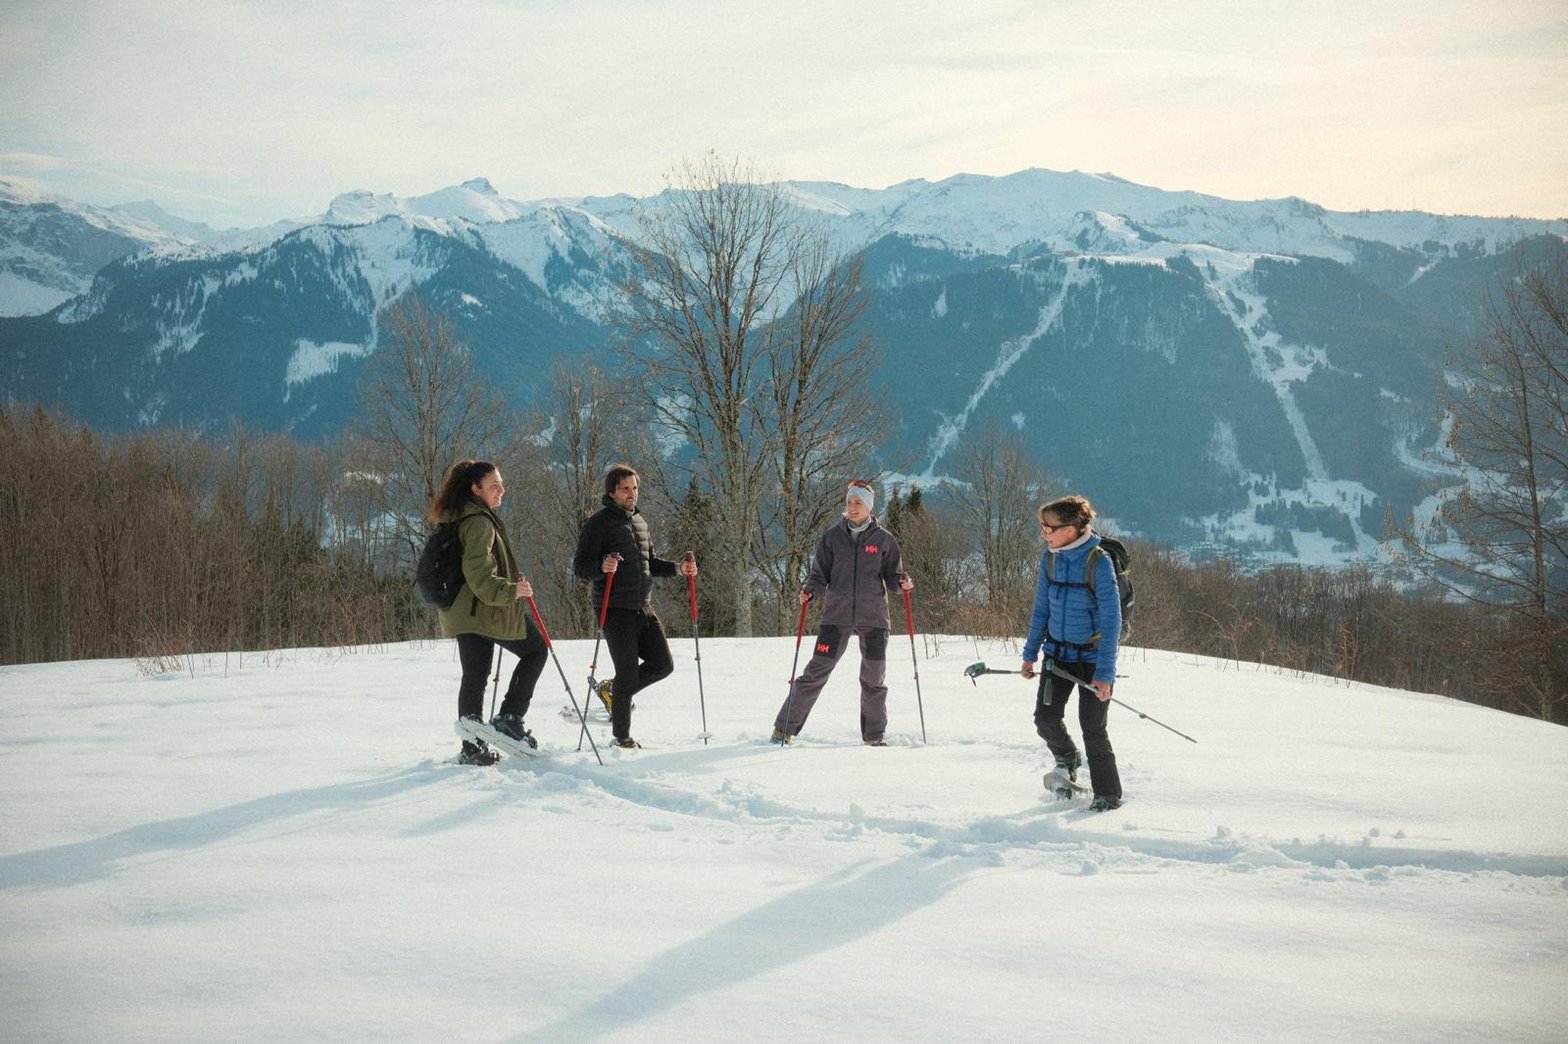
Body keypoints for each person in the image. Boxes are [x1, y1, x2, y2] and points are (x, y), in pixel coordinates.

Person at [771, 479, 914, 746]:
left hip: (874, 619)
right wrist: (810, 591)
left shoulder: (884, 540)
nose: (852, 507)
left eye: (858, 502)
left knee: (874, 679)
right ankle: (783, 729)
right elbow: (819, 575)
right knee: (816, 672)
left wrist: (902, 583)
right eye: (849, 502)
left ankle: (874, 736)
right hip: (836, 617)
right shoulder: (832, 537)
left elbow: (894, 576)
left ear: (869, 507)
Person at [428, 459, 547, 765]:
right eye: (494, 486)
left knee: (475, 675)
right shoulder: (479, 522)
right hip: (482, 609)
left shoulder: (457, 517)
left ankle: (472, 748)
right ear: (475, 489)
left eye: (501, 484)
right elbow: (481, 576)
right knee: (536, 650)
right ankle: (510, 717)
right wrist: (512, 590)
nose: (501, 490)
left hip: (462, 611)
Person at [572, 464, 696, 749]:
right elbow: (580, 567)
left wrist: (679, 569)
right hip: (614, 610)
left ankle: (614, 691)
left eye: (635, 488)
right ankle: (621, 738)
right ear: (611, 492)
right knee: (627, 674)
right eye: (625, 489)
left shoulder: (639, 521)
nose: (632, 493)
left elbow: (650, 563)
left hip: (643, 607)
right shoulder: (598, 524)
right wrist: (602, 566)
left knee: (663, 665)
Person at [1020, 494, 1124, 811]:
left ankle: (1108, 795)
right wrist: (1030, 654)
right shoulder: (1049, 559)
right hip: (1057, 656)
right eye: (1042, 526)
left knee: (1093, 727)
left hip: (1093, 660)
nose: (1044, 534)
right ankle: (1067, 758)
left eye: (1049, 528)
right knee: (1045, 719)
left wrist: (1105, 674)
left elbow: (1112, 620)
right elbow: (1041, 609)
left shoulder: (1099, 563)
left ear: (1071, 529)